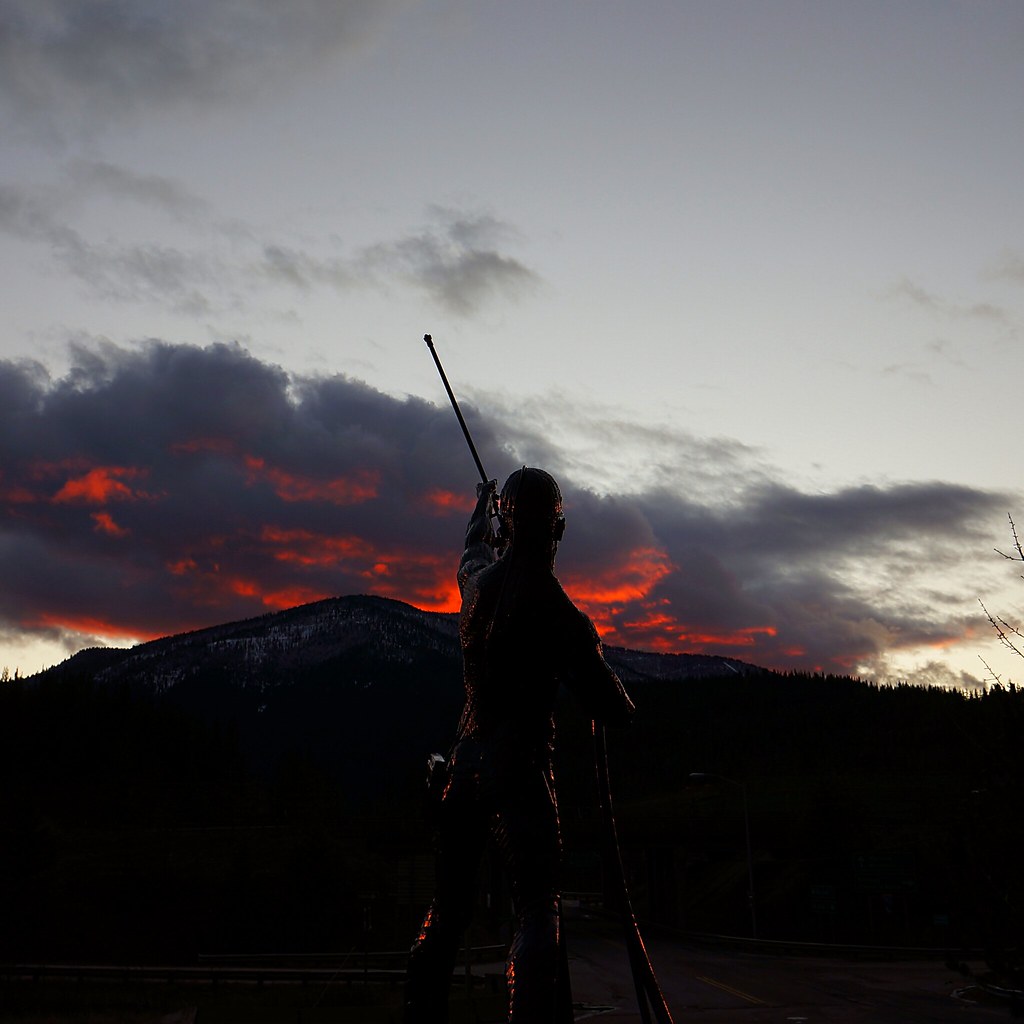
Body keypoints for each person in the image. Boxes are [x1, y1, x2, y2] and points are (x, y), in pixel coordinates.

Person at [404, 467, 635, 1023]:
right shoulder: (560, 614)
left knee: (448, 908)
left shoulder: (477, 588)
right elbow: (616, 711)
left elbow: (469, 554)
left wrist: (480, 512)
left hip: (464, 766)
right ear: (555, 531)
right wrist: (594, 655)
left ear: (508, 525)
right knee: (537, 910)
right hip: (520, 771)